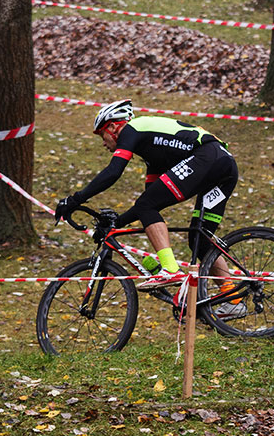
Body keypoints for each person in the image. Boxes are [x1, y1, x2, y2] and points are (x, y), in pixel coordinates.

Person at [54, 100, 243, 315]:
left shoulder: (132, 130)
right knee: (199, 241)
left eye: (101, 135)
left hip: (208, 158)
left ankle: (171, 269)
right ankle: (234, 300)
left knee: (148, 206)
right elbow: (148, 202)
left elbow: (114, 172)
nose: (104, 143)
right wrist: (119, 222)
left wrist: (75, 199)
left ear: (113, 127)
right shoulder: (154, 152)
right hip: (224, 165)